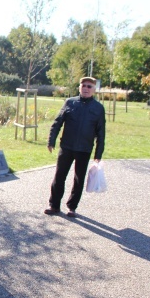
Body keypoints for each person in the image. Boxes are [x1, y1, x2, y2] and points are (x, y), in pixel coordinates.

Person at [44, 76, 106, 218]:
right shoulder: (70, 103)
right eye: (83, 85)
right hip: (66, 147)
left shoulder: (98, 108)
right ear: (79, 87)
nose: (86, 88)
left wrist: (98, 154)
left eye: (89, 86)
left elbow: (101, 132)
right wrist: (51, 140)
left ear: (94, 90)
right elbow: (57, 122)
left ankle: (72, 207)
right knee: (59, 176)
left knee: (79, 179)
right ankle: (54, 205)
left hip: (84, 149)